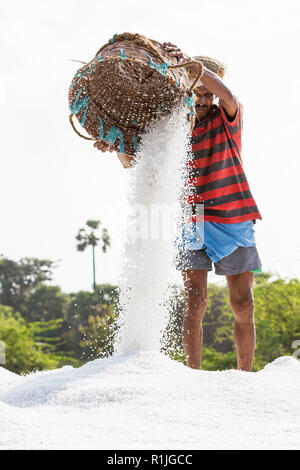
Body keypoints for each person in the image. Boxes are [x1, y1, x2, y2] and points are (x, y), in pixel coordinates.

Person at [94, 43, 262, 372]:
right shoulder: (172, 128)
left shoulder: (226, 117)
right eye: (196, 93)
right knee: (194, 301)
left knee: (242, 304)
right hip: (191, 219)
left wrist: (186, 64)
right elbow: (137, 166)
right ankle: (192, 374)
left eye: (206, 94)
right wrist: (115, 142)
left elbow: (227, 95)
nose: (203, 100)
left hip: (232, 216)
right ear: (184, 92)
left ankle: (246, 376)